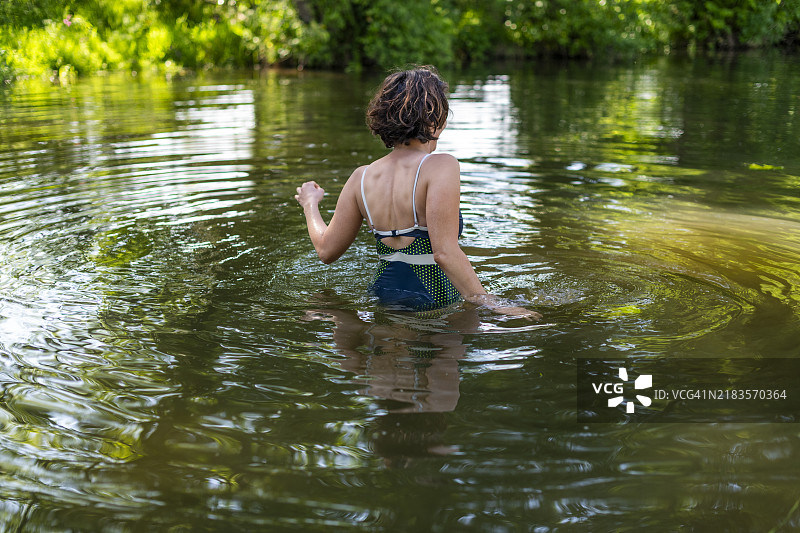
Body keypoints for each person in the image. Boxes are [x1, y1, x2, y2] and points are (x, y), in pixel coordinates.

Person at [295, 66, 540, 319]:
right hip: (435, 298)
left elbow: (326, 251)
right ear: (437, 119)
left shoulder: (361, 177)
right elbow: (444, 253)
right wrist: (494, 304)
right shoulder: (441, 166)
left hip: (382, 297)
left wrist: (310, 204)